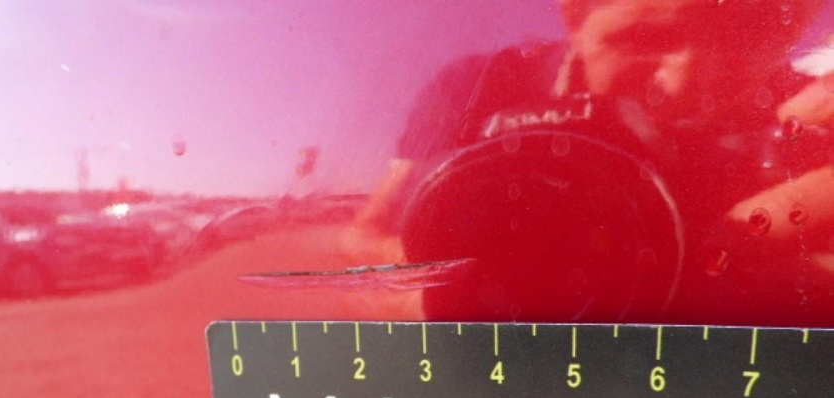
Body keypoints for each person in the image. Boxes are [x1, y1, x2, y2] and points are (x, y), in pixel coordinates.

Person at [355, 0, 833, 324]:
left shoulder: (809, 118)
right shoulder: (481, 86)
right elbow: (363, 235)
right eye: (642, 37)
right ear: (574, 19)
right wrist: (460, 287)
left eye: (747, 35)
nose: (686, 83)